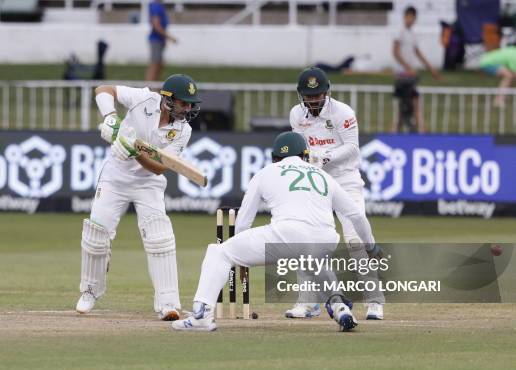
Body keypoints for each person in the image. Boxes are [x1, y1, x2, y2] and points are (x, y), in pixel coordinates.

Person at [172, 132, 382, 332]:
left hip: (286, 234)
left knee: (218, 252)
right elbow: (356, 216)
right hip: (326, 238)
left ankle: (201, 316)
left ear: (275, 158)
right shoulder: (322, 175)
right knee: (314, 262)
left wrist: (240, 256)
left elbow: (244, 221)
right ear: (305, 155)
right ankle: (340, 307)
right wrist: (370, 246)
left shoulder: (265, 173)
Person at [75, 74, 202, 321]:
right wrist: (111, 118)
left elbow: (159, 167)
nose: (188, 108)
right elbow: (104, 88)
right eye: (183, 103)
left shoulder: (183, 130)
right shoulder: (143, 98)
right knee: (96, 235)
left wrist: (132, 150)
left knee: (159, 237)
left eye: (190, 104)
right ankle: (90, 291)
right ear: (168, 99)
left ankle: (168, 303)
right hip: (115, 176)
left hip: (149, 184)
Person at [287, 67, 385, 320]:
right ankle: (307, 302)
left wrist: (327, 157)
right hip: (316, 181)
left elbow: (353, 147)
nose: (313, 100)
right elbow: (300, 147)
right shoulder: (296, 114)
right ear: (301, 96)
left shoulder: (342, 112)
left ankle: (374, 302)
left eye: (318, 95)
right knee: (306, 237)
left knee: (354, 241)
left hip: (345, 179)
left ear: (326, 92)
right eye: (308, 96)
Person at [392, 5, 441, 133]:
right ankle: (419, 129)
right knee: (406, 106)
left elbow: (418, 53)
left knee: (410, 105)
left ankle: (418, 128)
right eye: (409, 17)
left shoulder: (412, 34)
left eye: (413, 18)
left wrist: (431, 69)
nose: (411, 20)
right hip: (402, 75)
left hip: (410, 76)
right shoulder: (400, 32)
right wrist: (408, 67)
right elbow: (396, 53)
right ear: (405, 17)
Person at [145, 0, 177, 81]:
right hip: (156, 39)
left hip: (159, 40)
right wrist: (169, 37)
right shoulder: (156, 6)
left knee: (160, 65)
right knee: (155, 65)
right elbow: (156, 25)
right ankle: (149, 88)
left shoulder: (159, 6)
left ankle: (155, 86)